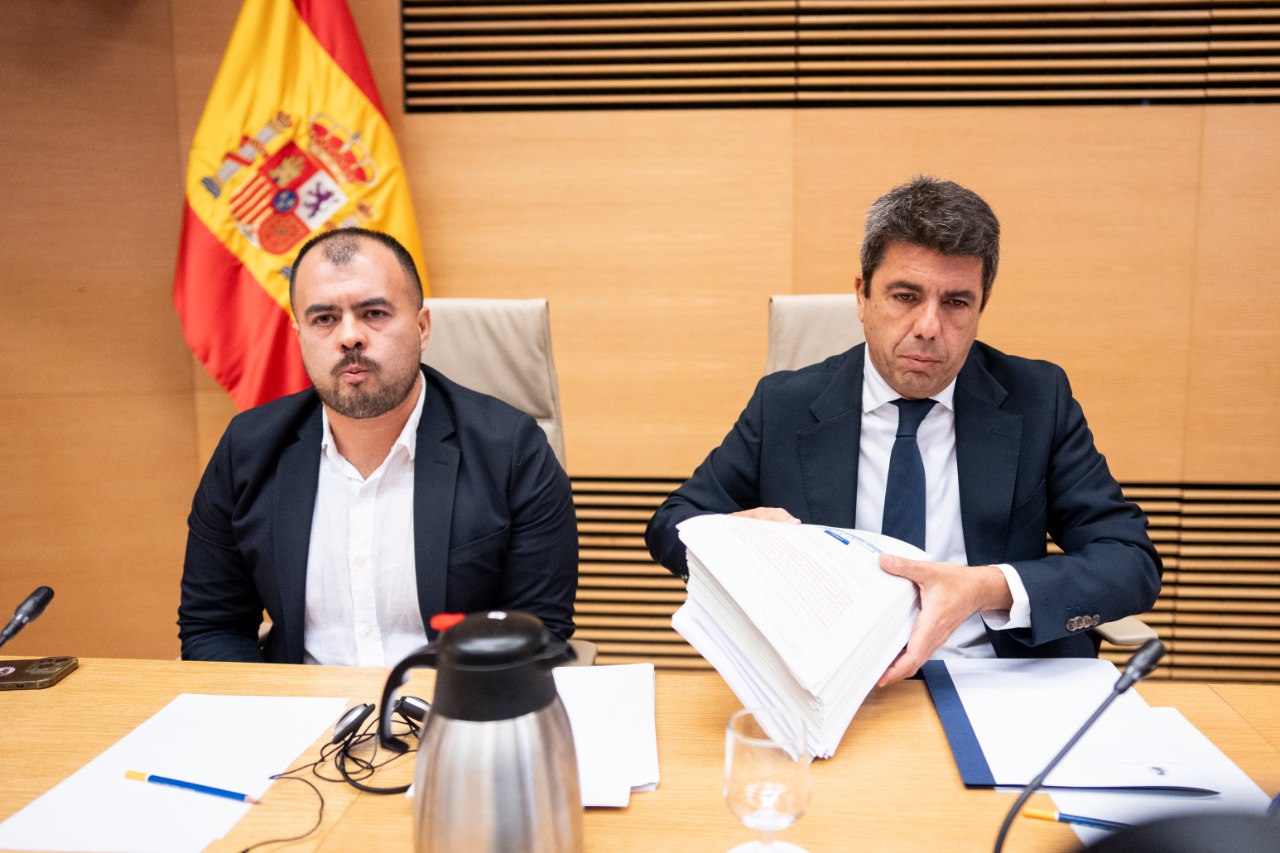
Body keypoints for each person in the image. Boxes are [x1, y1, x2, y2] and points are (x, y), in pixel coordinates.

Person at [646, 176, 1160, 685]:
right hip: (831, 682)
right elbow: (674, 523)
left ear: (981, 306)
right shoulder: (786, 403)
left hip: (998, 679)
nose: (929, 326)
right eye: (905, 295)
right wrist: (740, 543)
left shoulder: (1037, 398)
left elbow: (1129, 562)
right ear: (863, 295)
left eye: (956, 302)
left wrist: (989, 587)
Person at [179, 228, 578, 665]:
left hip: (453, 709)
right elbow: (213, 625)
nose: (350, 337)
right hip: (299, 715)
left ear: (422, 328)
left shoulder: (511, 449)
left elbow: (538, 632)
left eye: (373, 313)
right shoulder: (248, 450)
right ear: (300, 336)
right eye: (324, 319)